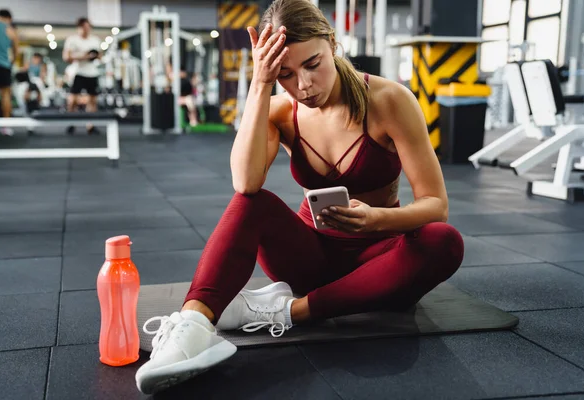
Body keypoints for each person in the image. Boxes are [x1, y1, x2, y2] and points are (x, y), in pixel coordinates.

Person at [135, 0, 464, 394]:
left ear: (332, 43)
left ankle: (290, 310)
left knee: (443, 241)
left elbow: (436, 205)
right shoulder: (278, 110)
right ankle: (191, 330)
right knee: (249, 204)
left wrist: (376, 219)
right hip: (309, 260)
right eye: (285, 74)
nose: (303, 85)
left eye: (313, 64)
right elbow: (245, 183)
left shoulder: (389, 100)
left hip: (379, 258)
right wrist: (260, 84)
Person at [62, 17, 102, 134]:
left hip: (92, 73)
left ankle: (90, 125)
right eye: (84, 27)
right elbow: (66, 57)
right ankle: (71, 123)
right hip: (78, 72)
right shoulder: (72, 40)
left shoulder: (95, 40)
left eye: (88, 27)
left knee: (92, 100)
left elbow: (100, 56)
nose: (86, 30)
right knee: (73, 100)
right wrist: (84, 56)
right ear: (79, 28)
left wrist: (94, 56)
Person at [0, 9, 18, 135]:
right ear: (9, 18)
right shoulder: (10, 30)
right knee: (6, 94)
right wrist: (11, 63)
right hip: (3, 65)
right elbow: (16, 52)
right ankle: (6, 127)